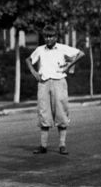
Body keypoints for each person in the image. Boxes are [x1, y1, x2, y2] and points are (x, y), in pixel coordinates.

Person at [25, 25, 84, 155]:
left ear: (56, 37)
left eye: (51, 36)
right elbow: (28, 60)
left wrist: (69, 66)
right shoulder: (40, 49)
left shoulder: (62, 48)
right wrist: (34, 72)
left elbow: (80, 53)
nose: (48, 39)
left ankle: (62, 145)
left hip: (59, 82)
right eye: (46, 36)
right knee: (44, 112)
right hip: (44, 83)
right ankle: (43, 146)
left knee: (61, 112)